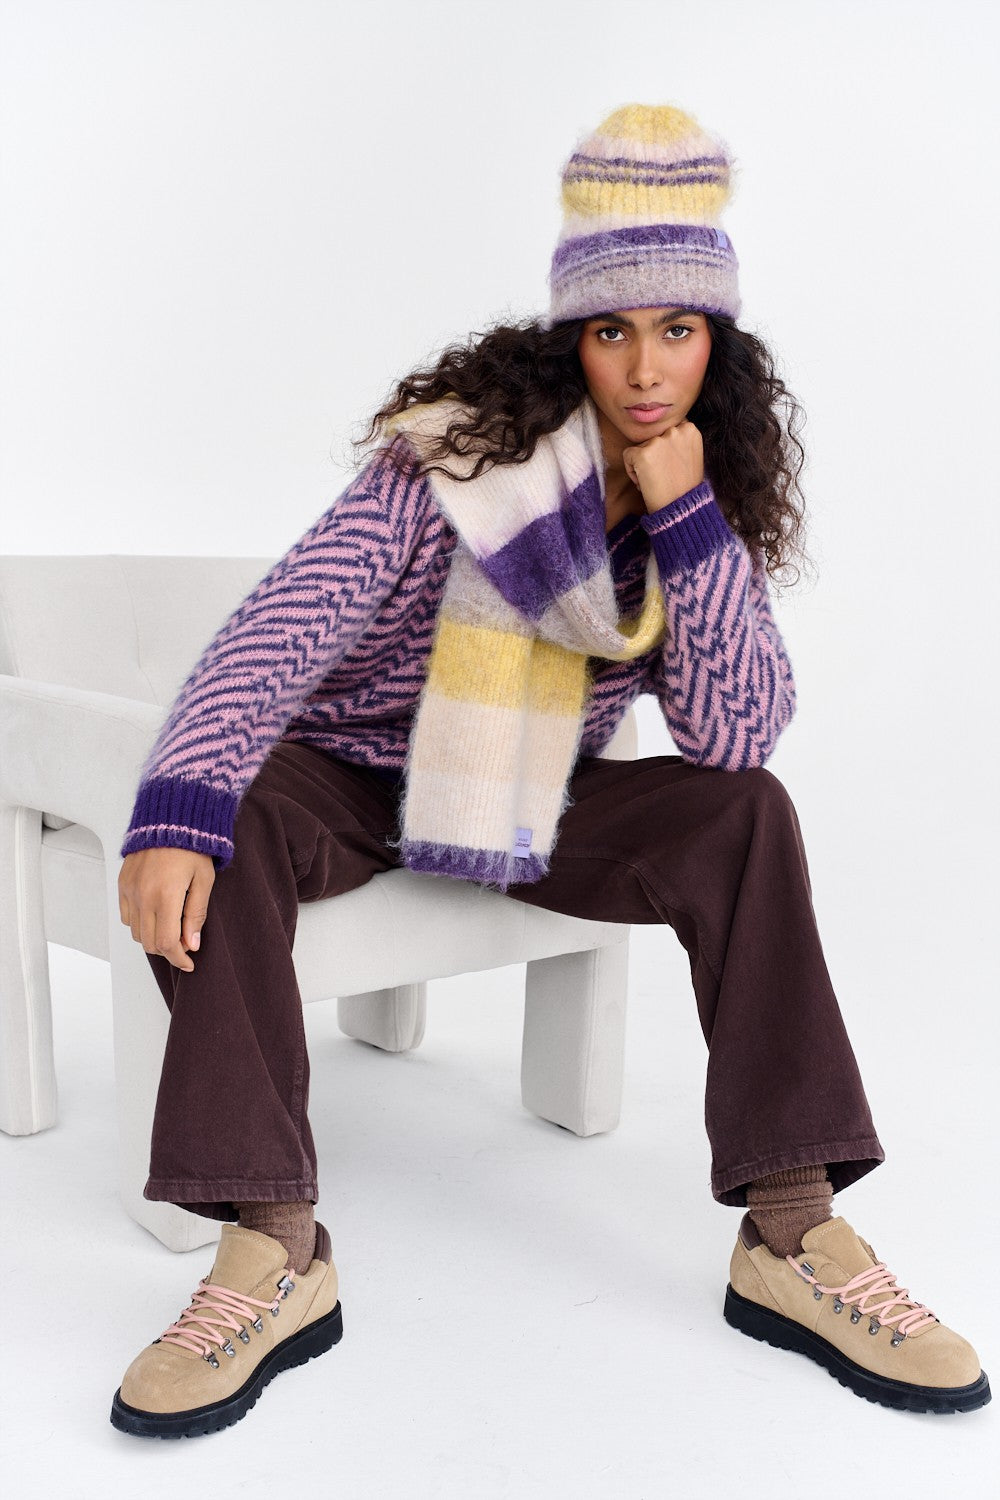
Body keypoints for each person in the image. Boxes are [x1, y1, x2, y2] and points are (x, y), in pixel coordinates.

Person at [110, 103, 990, 1439]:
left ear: (717, 342)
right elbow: (278, 631)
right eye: (613, 330)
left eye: (678, 330)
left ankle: (792, 1236)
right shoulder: (453, 459)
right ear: (569, 334)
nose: (645, 368)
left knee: (746, 813)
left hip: (536, 801)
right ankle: (272, 1252)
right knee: (231, 814)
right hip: (347, 774)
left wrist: (688, 516)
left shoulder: (699, 505)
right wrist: (177, 804)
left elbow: (734, 734)